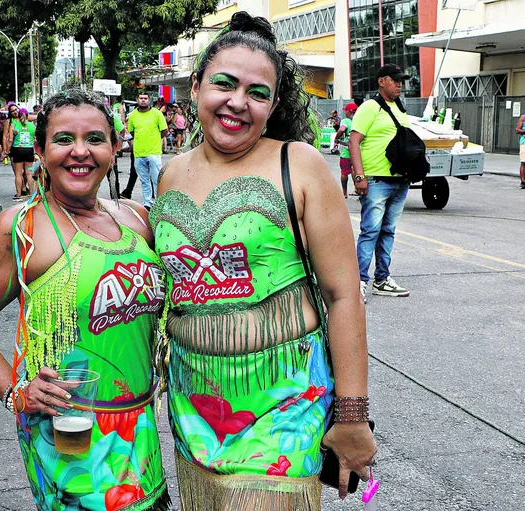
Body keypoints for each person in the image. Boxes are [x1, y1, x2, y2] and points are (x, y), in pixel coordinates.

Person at [151, 12, 376, 509]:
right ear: (195, 87)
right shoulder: (169, 175)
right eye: (224, 84)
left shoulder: (299, 163)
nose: (237, 102)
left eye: (257, 93)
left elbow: (343, 294)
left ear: (273, 106)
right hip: (197, 404)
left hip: (284, 405)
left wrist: (353, 414)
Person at [0, 88, 172, 511]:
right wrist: (16, 394)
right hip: (69, 434)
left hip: (139, 431)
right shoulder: (23, 227)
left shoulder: (136, 219)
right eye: (64, 139)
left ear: (115, 147)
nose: (80, 152)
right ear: (42, 151)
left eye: (95, 139)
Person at [349, 64, 412, 303]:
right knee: (370, 232)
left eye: (401, 81)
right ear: (381, 81)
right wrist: (359, 176)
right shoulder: (370, 107)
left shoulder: (400, 108)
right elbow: (354, 142)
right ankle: (359, 282)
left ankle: (382, 279)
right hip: (375, 180)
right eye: (395, 80)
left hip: (399, 180)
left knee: (388, 232)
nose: (399, 85)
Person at [127, 93, 168, 208]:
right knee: (144, 181)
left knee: (156, 180)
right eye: (141, 98)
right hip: (139, 153)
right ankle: (147, 203)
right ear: (137, 100)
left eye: (145, 98)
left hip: (154, 153)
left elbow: (164, 131)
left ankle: (158, 204)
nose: (143, 100)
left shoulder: (157, 114)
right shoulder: (133, 115)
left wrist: (153, 140)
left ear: (149, 100)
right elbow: (132, 132)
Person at [5, 104, 36, 201]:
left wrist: (7, 150)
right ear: (27, 115)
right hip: (29, 150)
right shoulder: (32, 126)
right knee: (29, 174)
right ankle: (31, 194)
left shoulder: (14, 126)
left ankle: (18, 194)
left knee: (18, 174)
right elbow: (35, 139)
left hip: (17, 150)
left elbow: (10, 139)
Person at [335, 102, 357, 198]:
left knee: (344, 172)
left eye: (346, 111)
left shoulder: (346, 120)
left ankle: (344, 193)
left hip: (347, 150)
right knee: (356, 170)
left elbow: (342, 129)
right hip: (359, 150)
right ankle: (358, 189)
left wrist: (336, 139)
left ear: (348, 112)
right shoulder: (360, 120)